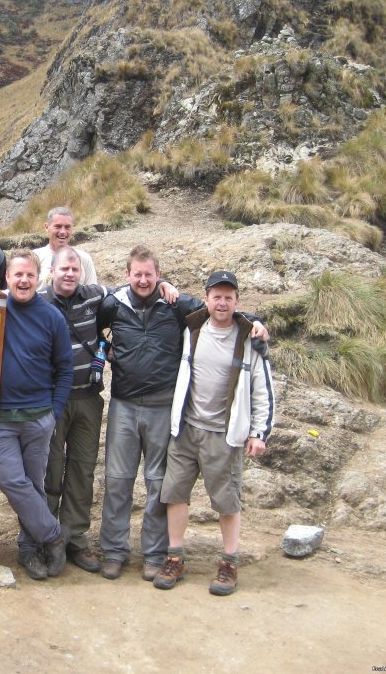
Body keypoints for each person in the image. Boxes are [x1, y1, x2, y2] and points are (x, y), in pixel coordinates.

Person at [96, 246, 267, 582]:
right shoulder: (113, 304)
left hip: (163, 408)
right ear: (127, 275)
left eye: (150, 274)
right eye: (137, 274)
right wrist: (107, 350)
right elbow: (93, 327)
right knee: (117, 480)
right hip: (124, 406)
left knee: (159, 484)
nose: (143, 280)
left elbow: (223, 310)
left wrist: (257, 323)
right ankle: (114, 551)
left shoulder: (178, 305)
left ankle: (156, 555)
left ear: (158, 275)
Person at [154, 270, 274, 596]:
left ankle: (229, 563)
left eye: (228, 298)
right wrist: (164, 281)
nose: (222, 303)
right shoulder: (192, 328)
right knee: (175, 494)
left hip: (224, 434)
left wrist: (259, 432)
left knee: (226, 501)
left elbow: (262, 389)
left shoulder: (249, 339)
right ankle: (175, 557)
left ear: (237, 302)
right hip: (186, 430)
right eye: (216, 296)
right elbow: (163, 293)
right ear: (206, 299)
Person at [0, 249, 74, 581]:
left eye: (29, 275)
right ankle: (54, 535)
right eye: (18, 275)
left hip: (39, 417)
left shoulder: (52, 316)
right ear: (7, 278)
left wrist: (54, 413)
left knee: (36, 485)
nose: (24, 280)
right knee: (12, 480)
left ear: (38, 278)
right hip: (1, 420)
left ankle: (29, 549)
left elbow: (65, 369)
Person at [37, 247, 108, 573]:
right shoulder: (37, 302)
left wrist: (163, 284)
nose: (69, 274)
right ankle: (47, 538)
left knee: (82, 470)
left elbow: (133, 289)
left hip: (88, 400)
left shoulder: (94, 297)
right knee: (49, 470)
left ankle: (76, 538)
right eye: (63, 269)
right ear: (52, 271)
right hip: (53, 401)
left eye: (74, 269)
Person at [33, 207, 97, 285]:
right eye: (58, 226)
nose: (63, 232)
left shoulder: (84, 259)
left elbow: (93, 292)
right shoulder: (34, 258)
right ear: (47, 227)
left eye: (67, 227)